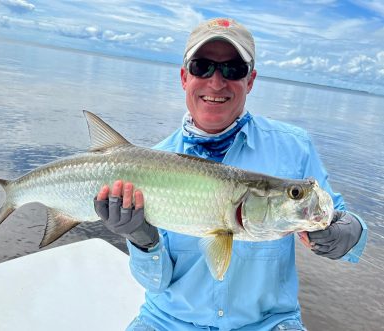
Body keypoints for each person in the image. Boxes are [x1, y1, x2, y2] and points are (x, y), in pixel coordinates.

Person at [94, 18, 368, 331]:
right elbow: (155, 284)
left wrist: (346, 233)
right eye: (202, 67)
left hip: (268, 323)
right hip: (167, 321)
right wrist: (141, 237)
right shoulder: (150, 163)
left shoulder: (294, 147)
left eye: (232, 69)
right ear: (185, 77)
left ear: (250, 80)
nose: (216, 82)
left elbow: (344, 221)